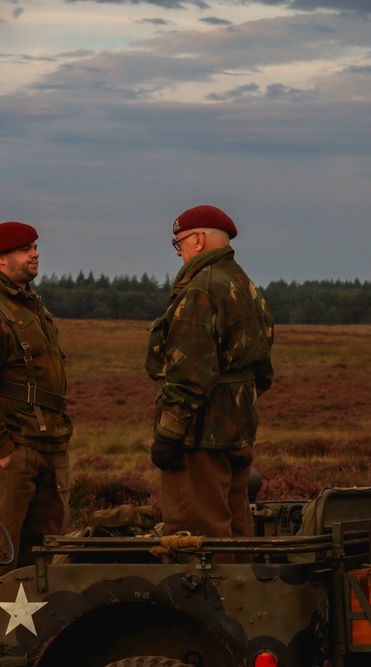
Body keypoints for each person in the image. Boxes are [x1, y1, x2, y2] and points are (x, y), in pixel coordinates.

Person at [145, 204, 274, 561]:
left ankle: (207, 613)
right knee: (235, 531)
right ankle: (243, 608)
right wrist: (235, 403)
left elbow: (188, 373)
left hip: (198, 436)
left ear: (198, 240)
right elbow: (262, 369)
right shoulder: (245, 285)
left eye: (180, 243)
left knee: (196, 540)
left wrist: (170, 433)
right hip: (237, 431)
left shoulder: (200, 289)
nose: (179, 252)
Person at [0, 221, 72, 588]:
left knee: (45, 551)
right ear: (0, 259)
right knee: (0, 549)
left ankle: (38, 635)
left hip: (48, 443)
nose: (35, 253)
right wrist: (2, 449)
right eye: (25, 249)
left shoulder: (33, 306)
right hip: (14, 449)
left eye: (35, 247)